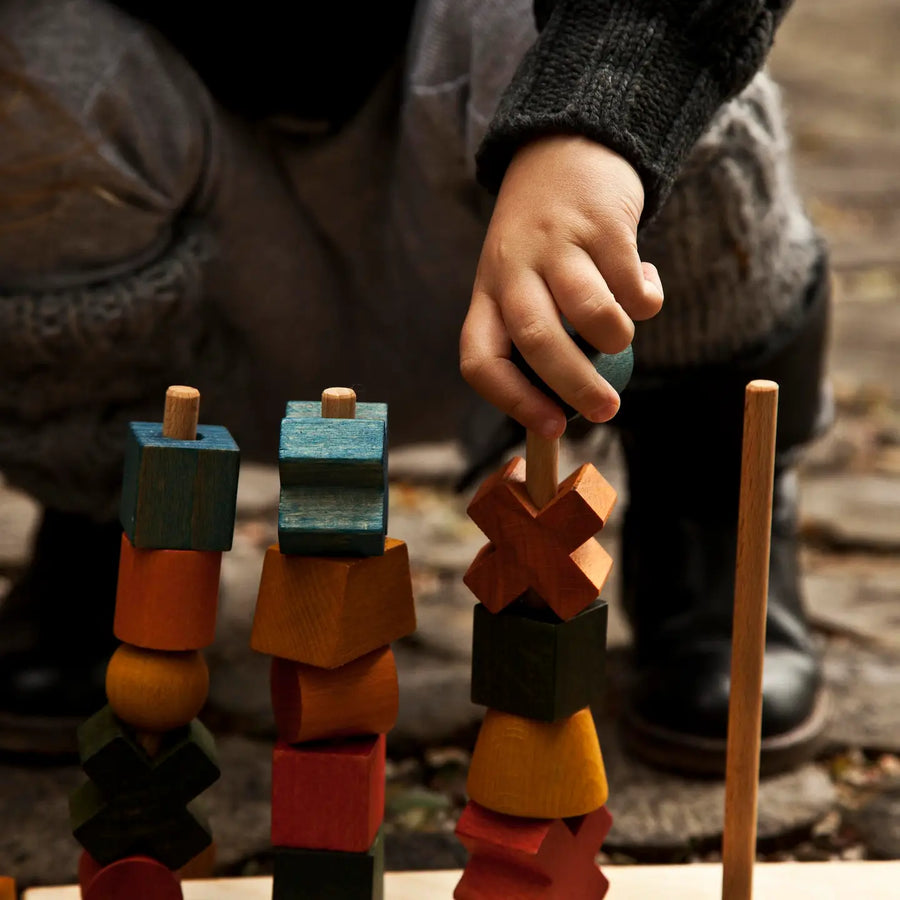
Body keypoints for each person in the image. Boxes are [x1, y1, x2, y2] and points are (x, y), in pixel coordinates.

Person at [0, 0, 830, 772]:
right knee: (40, 65)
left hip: (503, 199)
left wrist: (598, 120)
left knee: (638, 58)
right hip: (182, 256)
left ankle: (707, 508)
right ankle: (107, 500)